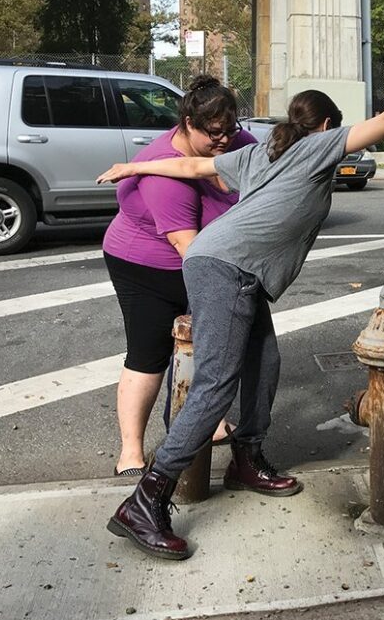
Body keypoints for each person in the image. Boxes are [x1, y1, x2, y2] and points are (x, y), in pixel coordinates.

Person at [96, 41, 384, 559]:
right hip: (226, 268)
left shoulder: (263, 152)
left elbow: (191, 169)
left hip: (232, 268)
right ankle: (146, 499)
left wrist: (132, 169)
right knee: (215, 386)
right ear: (326, 127)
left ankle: (247, 459)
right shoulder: (314, 147)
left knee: (264, 363)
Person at [103, 76, 255, 476]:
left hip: (212, 256)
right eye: (213, 133)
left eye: (230, 130)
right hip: (147, 266)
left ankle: (210, 420)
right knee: (149, 352)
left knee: (210, 344)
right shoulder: (162, 176)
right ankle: (131, 451)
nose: (224, 141)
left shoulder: (240, 144)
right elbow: (190, 249)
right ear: (187, 123)